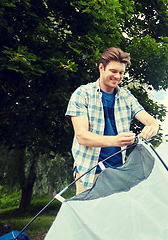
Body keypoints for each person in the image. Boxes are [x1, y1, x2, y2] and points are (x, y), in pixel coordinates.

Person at [66, 47, 159, 195]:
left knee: (117, 217)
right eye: (113, 71)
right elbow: (82, 136)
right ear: (101, 68)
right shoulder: (82, 94)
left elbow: (148, 118)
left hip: (118, 174)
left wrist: (153, 126)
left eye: (121, 73)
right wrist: (116, 140)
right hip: (90, 173)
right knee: (90, 218)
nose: (117, 76)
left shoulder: (126, 96)